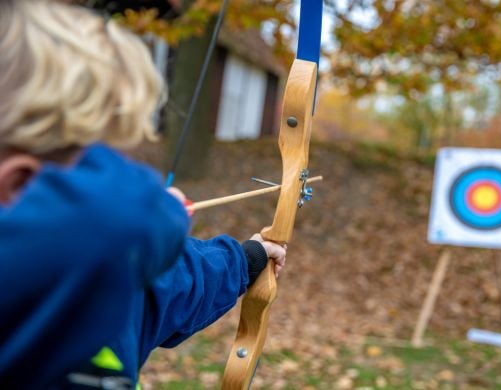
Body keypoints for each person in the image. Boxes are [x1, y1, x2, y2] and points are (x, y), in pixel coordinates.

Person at [0, 0, 286, 388]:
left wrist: (246, 259)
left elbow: (179, 278)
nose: (122, 174)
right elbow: (124, 226)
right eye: (98, 162)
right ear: (20, 186)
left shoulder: (108, 274)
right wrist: (158, 211)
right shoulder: (78, 255)